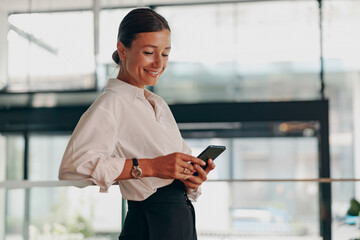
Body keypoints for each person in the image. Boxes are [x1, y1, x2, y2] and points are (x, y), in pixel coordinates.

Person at [58, 7, 215, 240]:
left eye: (165, 54)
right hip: (150, 225)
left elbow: (174, 167)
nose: (158, 63)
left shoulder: (158, 104)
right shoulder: (109, 104)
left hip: (180, 223)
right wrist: (151, 167)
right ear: (123, 50)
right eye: (149, 52)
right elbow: (72, 168)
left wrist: (192, 178)